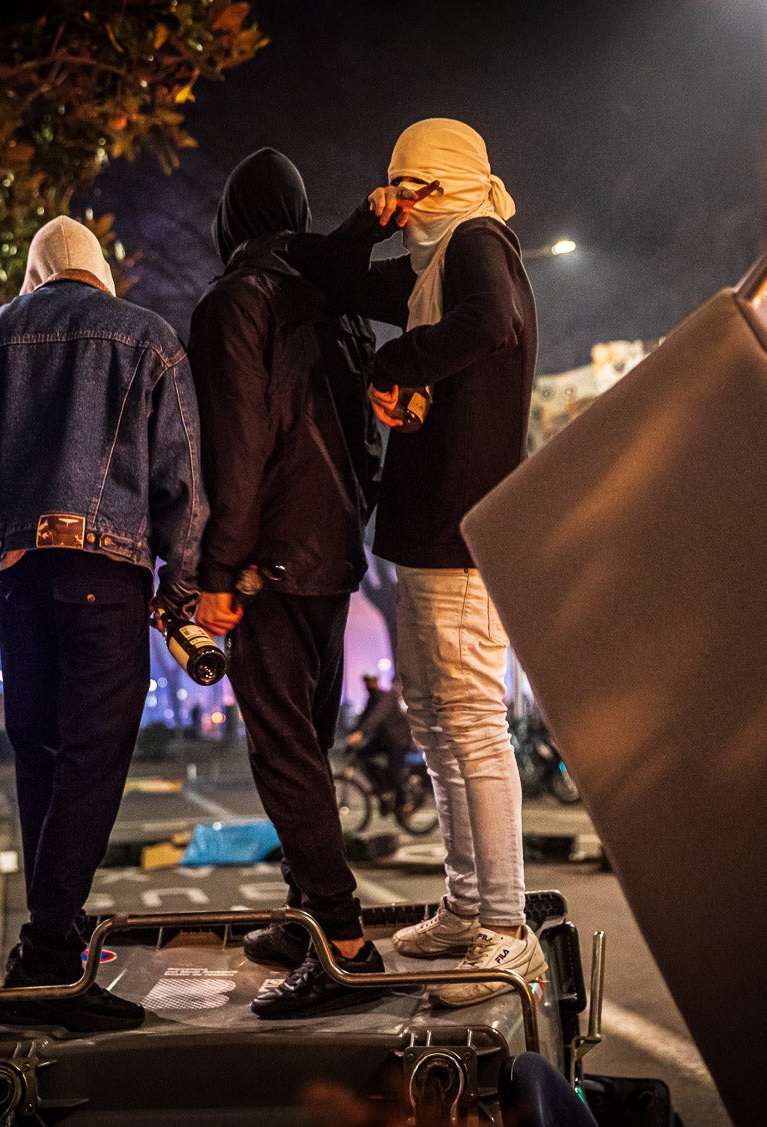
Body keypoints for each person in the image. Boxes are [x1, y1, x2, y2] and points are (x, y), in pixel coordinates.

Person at [0, 215, 205, 1032]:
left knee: (37, 753)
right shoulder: (147, 337)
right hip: (105, 574)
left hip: (16, 577)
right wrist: (185, 586)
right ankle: (47, 957)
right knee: (94, 755)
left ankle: (57, 946)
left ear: (32, 276)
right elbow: (182, 474)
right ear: (101, 273)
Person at [291, 118, 544, 1007]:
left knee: (473, 721)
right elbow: (329, 278)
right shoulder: (431, 259)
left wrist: (398, 360)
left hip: (462, 528)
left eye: (416, 186)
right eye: (397, 186)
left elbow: (495, 324)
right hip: (424, 523)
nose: (409, 203)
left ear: (454, 183)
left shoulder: (478, 242)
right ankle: (468, 902)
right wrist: (370, 217)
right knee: (435, 720)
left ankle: (508, 931)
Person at [190, 148, 386, 1019]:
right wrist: (343, 533)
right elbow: (370, 448)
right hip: (334, 557)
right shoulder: (339, 311)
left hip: (267, 560)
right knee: (311, 737)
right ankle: (306, 914)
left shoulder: (235, 301)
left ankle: (344, 947)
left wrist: (219, 569)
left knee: (283, 750)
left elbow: (237, 446)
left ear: (232, 222)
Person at [347, 672, 412, 794]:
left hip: (397, 740)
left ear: (376, 681)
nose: (368, 684)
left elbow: (377, 715)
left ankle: (403, 802)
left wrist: (361, 732)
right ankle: (382, 784)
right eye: (366, 681)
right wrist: (354, 732)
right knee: (360, 755)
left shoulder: (387, 696)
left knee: (395, 772)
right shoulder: (371, 700)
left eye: (371, 681)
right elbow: (363, 719)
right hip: (383, 739)